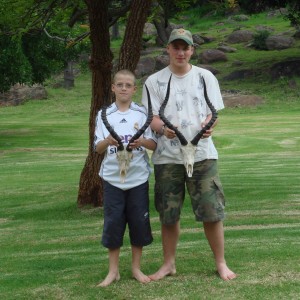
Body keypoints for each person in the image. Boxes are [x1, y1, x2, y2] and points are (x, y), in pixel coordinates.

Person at [141, 28, 236, 281]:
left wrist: (208, 126)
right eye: (176, 47)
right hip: (167, 157)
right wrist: (163, 130)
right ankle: (169, 264)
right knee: (168, 213)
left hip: (203, 154)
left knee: (211, 210)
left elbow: (213, 112)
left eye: (186, 48)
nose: (181, 52)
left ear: (192, 50)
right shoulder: (153, 82)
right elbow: (152, 118)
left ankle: (221, 263)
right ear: (168, 49)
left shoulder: (206, 77)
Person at [94, 69, 157, 287]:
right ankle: (113, 271)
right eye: (119, 84)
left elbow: (153, 144)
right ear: (113, 87)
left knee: (139, 222)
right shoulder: (104, 115)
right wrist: (108, 141)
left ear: (134, 89)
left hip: (137, 178)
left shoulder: (142, 114)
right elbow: (98, 148)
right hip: (112, 178)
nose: (123, 88)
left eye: (128, 85)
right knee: (113, 223)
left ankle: (136, 268)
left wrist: (142, 143)